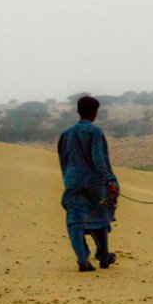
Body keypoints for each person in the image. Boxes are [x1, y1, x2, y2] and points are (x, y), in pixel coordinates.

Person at [58, 95, 120, 272]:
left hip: (72, 182)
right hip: (94, 182)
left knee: (75, 220)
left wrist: (69, 180)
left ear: (78, 111)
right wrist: (109, 180)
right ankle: (103, 255)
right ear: (94, 113)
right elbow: (99, 159)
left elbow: (64, 161)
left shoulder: (66, 134)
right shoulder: (95, 132)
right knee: (100, 217)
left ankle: (83, 260)